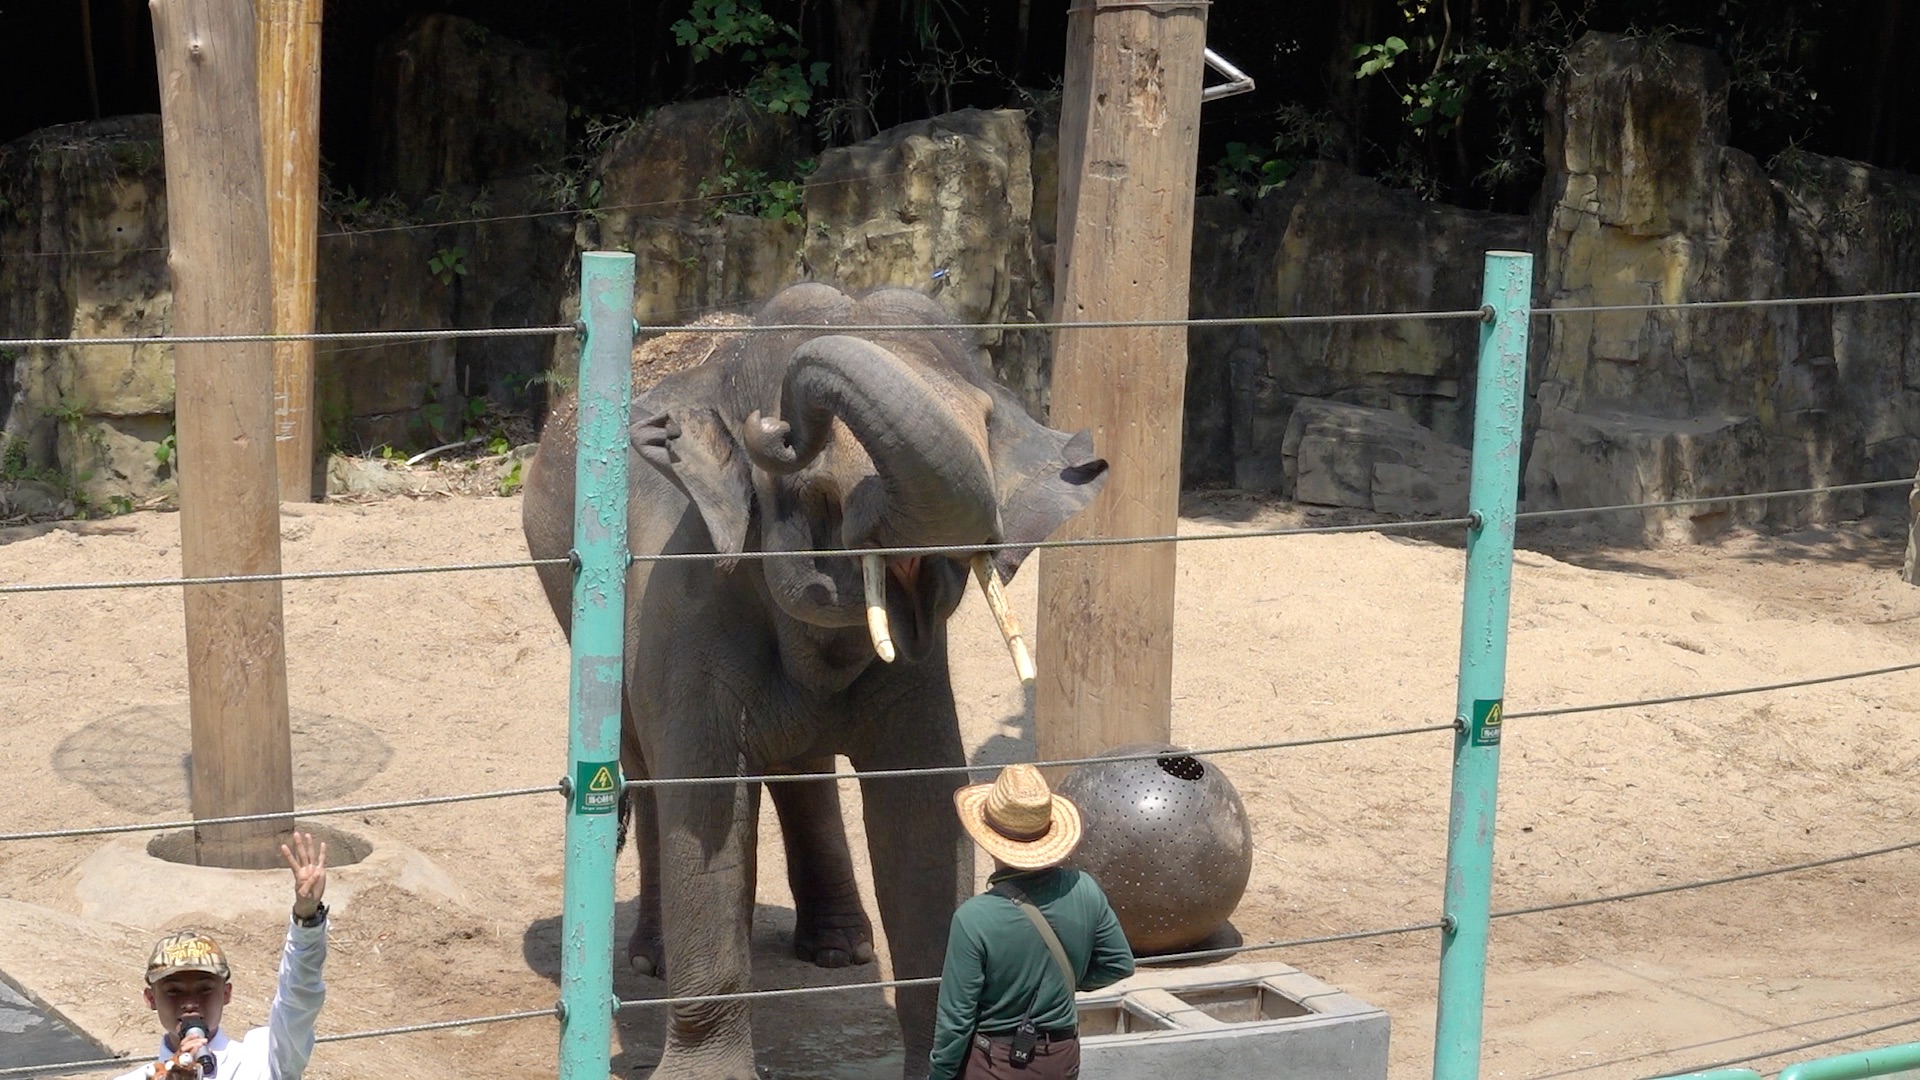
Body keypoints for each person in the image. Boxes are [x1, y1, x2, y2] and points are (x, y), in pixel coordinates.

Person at [930, 764, 1135, 1080]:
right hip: (1062, 1056)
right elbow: (1119, 964)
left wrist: (940, 1075)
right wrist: (1058, 983)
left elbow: (956, 1020)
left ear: (988, 838)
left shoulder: (973, 919)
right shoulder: (1085, 890)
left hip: (996, 1062)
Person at [117, 830, 330, 1080]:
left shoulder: (263, 1061)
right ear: (150, 998)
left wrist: (306, 919)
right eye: (173, 990)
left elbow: (298, 998)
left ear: (226, 993)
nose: (190, 1004)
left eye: (205, 989)